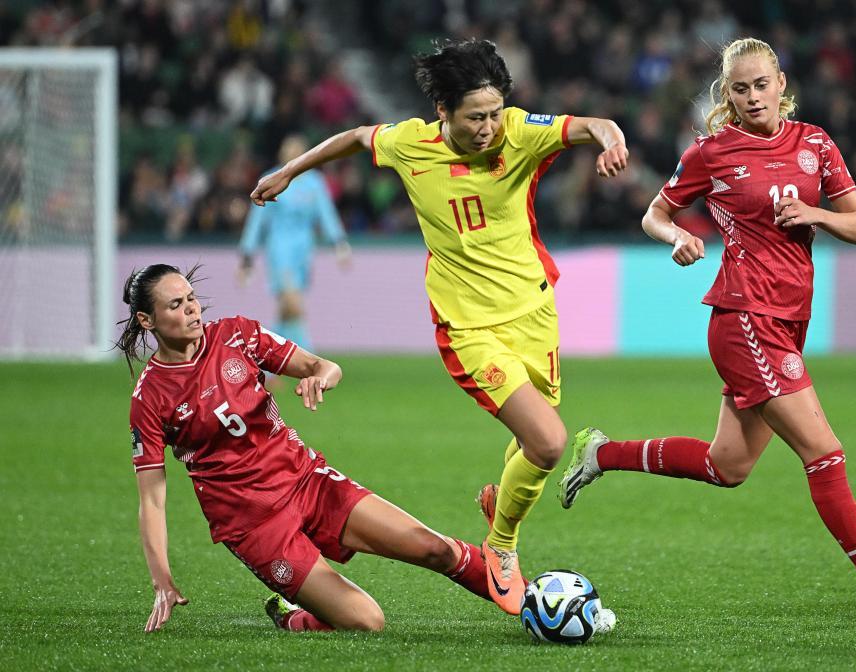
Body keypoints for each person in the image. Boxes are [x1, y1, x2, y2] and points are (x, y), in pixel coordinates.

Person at [557, 37, 856, 621]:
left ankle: (602, 453)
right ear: (728, 93)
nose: (752, 97)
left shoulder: (815, 142)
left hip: (789, 320)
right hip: (745, 317)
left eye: (761, 85)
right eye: (740, 89)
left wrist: (815, 214)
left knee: (729, 466)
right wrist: (678, 236)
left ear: (781, 84)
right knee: (824, 452)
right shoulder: (712, 152)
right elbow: (654, 214)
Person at [250, 38, 629, 614]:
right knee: (550, 441)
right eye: (475, 117)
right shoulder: (411, 144)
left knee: (533, 441)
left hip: (534, 314)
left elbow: (594, 124)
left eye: (495, 113)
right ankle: (500, 545)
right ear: (443, 112)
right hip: (469, 329)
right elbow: (355, 138)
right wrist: (290, 172)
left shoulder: (520, 132)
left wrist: (612, 141)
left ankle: (500, 504)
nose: (489, 128)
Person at [117, 263, 495, 633]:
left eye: (191, 298)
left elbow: (323, 365)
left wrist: (320, 378)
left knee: (434, 548)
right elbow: (152, 500)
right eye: (175, 304)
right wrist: (162, 580)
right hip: (254, 525)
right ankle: (291, 615)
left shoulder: (236, 335)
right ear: (147, 320)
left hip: (306, 481)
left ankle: (520, 595)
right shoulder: (149, 398)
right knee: (366, 620)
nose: (191, 309)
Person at [238, 134, 351, 352]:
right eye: (289, 150)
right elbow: (257, 220)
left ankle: (267, 358)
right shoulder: (271, 179)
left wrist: (339, 242)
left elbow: (326, 213)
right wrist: (247, 254)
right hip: (279, 248)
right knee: (293, 303)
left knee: (286, 310)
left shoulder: (314, 183)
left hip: (304, 250)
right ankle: (309, 358)